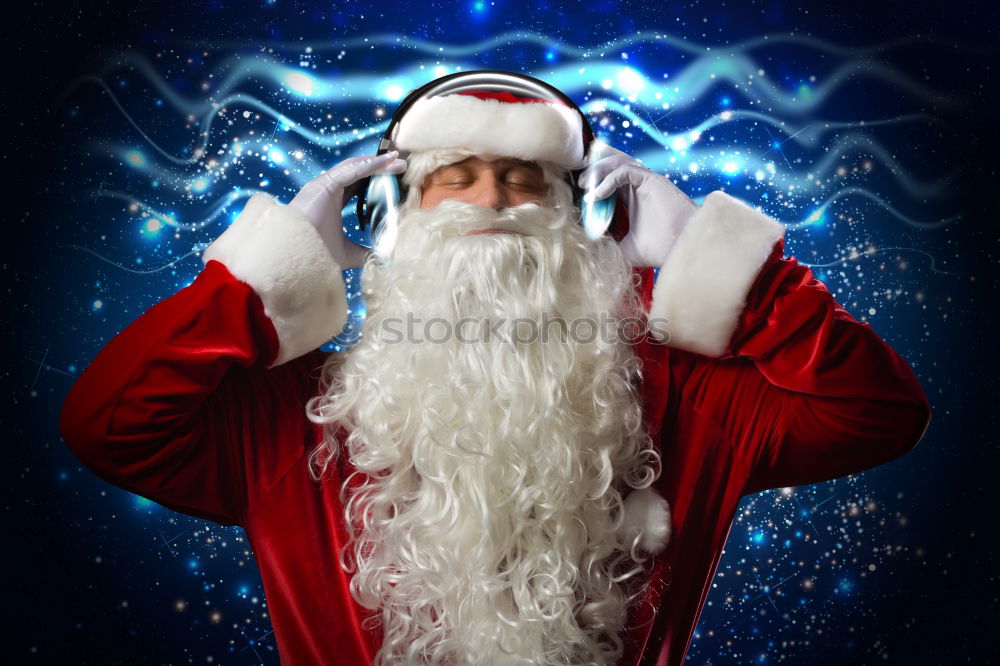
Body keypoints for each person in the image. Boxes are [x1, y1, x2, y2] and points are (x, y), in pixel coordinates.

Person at [60, 73, 931, 666]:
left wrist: (718, 266)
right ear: (397, 220)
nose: (491, 203)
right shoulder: (299, 417)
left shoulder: (684, 401)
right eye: (457, 179)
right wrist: (266, 281)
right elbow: (107, 423)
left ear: (580, 223)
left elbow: (879, 410)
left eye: (525, 180)